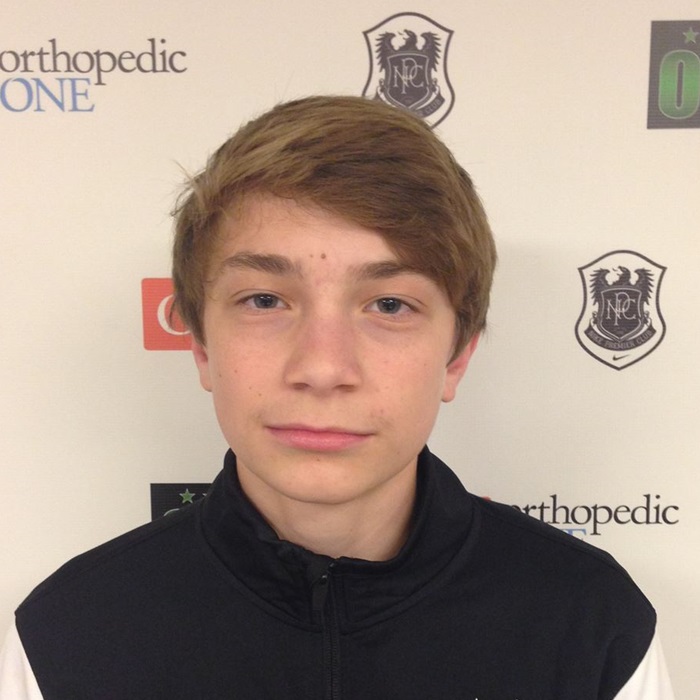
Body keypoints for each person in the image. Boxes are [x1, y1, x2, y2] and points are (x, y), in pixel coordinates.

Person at [0, 96, 674, 699]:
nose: (323, 368)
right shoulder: (69, 638)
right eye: (264, 300)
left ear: (457, 357)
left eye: (389, 304)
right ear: (202, 345)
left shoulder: (592, 625)